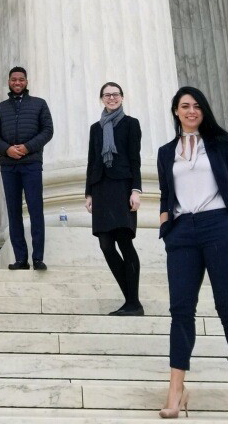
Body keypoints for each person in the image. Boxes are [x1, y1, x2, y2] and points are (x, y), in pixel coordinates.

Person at [157, 87, 228, 420]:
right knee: (181, 310)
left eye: (197, 105)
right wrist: (165, 226)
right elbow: (165, 193)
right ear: (175, 111)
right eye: (185, 106)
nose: (191, 111)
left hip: (219, 227)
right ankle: (176, 389)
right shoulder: (166, 151)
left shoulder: (221, 144)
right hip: (182, 231)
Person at [85, 82, 144, 316]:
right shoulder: (95, 128)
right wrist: (88, 193)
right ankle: (130, 299)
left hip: (122, 187)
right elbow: (92, 160)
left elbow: (135, 159)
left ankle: (133, 302)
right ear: (101, 99)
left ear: (122, 97)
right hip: (100, 188)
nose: (112, 98)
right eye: (107, 95)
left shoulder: (131, 124)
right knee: (105, 245)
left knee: (124, 241)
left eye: (115, 94)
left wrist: (136, 190)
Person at [0, 66, 54, 270]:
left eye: (21, 79)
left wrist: (27, 148)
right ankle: (21, 259)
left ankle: (38, 258)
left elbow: (47, 130)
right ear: (9, 82)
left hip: (32, 163)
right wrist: (7, 149)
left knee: (36, 210)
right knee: (14, 211)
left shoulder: (39, 104)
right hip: (9, 165)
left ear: (26, 82)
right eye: (13, 80)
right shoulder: (0, 108)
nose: (17, 83)